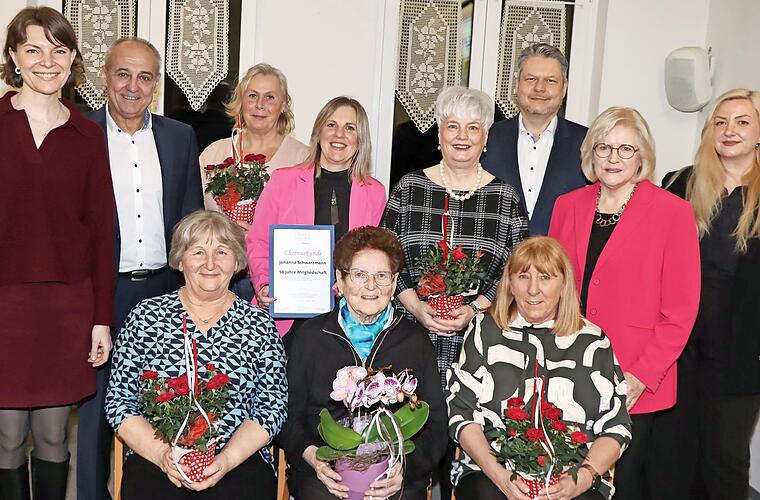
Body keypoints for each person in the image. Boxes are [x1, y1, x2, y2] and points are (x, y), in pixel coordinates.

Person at [381, 86, 528, 499]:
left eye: (473, 128)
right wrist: (414, 304)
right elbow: (384, 258)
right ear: (439, 134)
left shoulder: (505, 197)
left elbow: (519, 269)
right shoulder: (409, 188)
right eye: (452, 126)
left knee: (463, 460)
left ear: (486, 138)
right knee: (408, 451)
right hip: (411, 335)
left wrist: (477, 307)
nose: (462, 136)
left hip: (480, 343)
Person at [548, 107, 701, 499]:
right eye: (604, 147)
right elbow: (550, 289)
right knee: (564, 479)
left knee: (623, 487)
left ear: (642, 155)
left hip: (635, 376)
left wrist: (640, 377)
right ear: (591, 154)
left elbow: (681, 311)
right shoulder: (568, 205)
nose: (613, 158)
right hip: (568, 368)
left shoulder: (673, 212)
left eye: (625, 149)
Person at [78, 37, 204, 500]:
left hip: (163, 291)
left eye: (145, 76)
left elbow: (190, 219)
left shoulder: (179, 137)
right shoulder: (80, 133)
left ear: (156, 85)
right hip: (100, 292)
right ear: (104, 78)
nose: (133, 86)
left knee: (164, 403)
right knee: (95, 409)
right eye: (123, 74)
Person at [0, 7, 115, 500]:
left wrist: (101, 318)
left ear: (72, 60)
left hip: (66, 307)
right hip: (5, 305)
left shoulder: (88, 136)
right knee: (6, 439)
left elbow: (103, 233)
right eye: (33, 50)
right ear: (13, 57)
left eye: (58, 50)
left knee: (51, 436)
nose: (46, 62)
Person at [105, 210, 287, 499]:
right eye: (198, 252)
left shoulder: (259, 325)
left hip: (237, 457)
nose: (210, 263)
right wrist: (162, 455)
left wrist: (225, 461)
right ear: (180, 260)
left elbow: (271, 408)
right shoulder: (145, 317)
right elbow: (120, 402)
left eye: (222, 252)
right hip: (158, 455)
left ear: (237, 262)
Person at [447, 236, 632, 500]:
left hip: (571, 476)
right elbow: (461, 413)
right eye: (523, 276)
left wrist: (582, 478)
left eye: (545, 277)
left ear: (563, 284)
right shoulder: (483, 330)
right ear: (510, 284)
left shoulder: (593, 341)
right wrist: (499, 476)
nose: (533, 289)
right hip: (491, 472)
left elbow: (616, 427)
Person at [278, 226, 446, 499]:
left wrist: (404, 469)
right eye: (359, 275)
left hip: (394, 475)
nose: (371, 286)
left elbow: (436, 426)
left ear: (394, 283)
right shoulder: (310, 337)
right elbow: (288, 415)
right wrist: (313, 458)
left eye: (382, 276)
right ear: (340, 280)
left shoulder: (415, 342)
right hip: (323, 473)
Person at [662, 88, 760, 500]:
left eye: (742, 121)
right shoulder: (679, 183)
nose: (729, 130)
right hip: (677, 349)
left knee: (725, 462)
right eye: (720, 122)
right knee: (672, 458)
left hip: (742, 354)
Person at [247, 96, 387, 345]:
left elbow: (375, 257)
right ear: (318, 132)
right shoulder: (282, 181)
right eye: (331, 125)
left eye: (350, 128)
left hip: (348, 318)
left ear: (360, 139)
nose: (339, 134)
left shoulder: (374, 192)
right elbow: (258, 241)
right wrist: (265, 283)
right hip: (286, 318)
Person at [199, 63, 309, 302]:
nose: (260, 105)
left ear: (283, 105)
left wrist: (260, 234)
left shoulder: (303, 158)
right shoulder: (212, 154)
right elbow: (195, 216)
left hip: (273, 277)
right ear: (241, 101)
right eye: (252, 96)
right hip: (216, 273)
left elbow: (308, 226)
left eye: (270, 97)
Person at [482, 43, 588, 235]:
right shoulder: (486, 138)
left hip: (560, 254)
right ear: (517, 84)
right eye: (531, 79)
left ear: (564, 88)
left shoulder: (588, 143)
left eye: (550, 81)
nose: (539, 88)